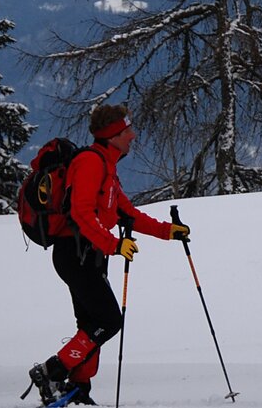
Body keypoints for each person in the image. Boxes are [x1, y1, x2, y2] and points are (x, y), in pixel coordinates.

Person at [28, 104, 191, 406]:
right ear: (112, 135)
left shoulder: (106, 166)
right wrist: (113, 245)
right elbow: (81, 211)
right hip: (76, 254)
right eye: (127, 130)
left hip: (87, 254)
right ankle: (52, 371)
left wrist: (169, 231)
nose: (133, 135)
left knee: (91, 324)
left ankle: (78, 388)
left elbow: (126, 214)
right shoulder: (91, 163)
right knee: (108, 321)